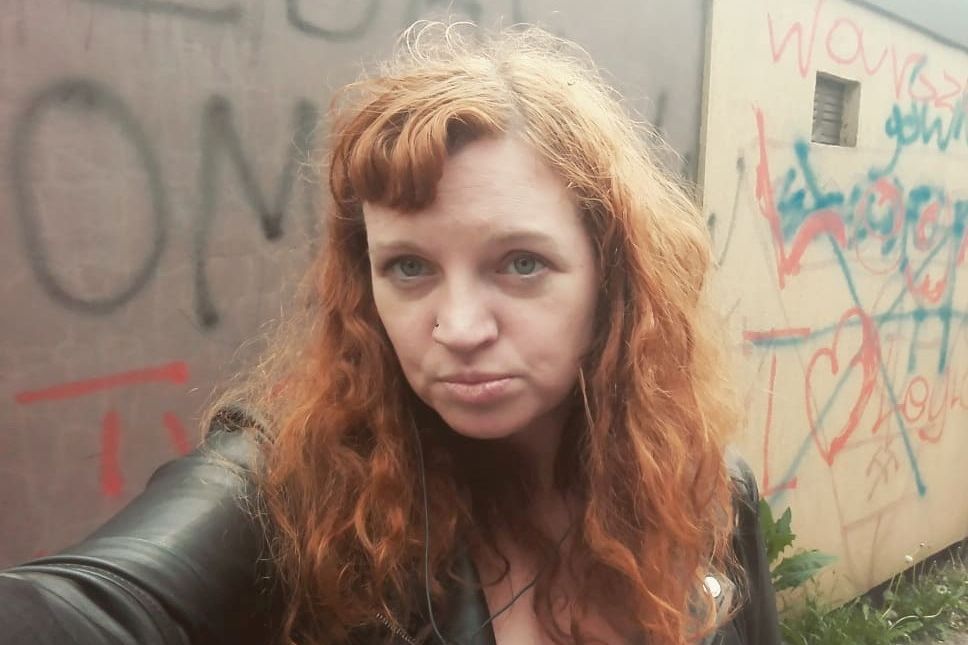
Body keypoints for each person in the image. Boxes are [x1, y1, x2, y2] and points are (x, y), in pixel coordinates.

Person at [0, 22, 780, 645]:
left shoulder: (705, 490)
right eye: (409, 267)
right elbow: (86, 604)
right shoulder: (293, 496)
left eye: (520, 263)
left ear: (612, 277)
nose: (459, 327)